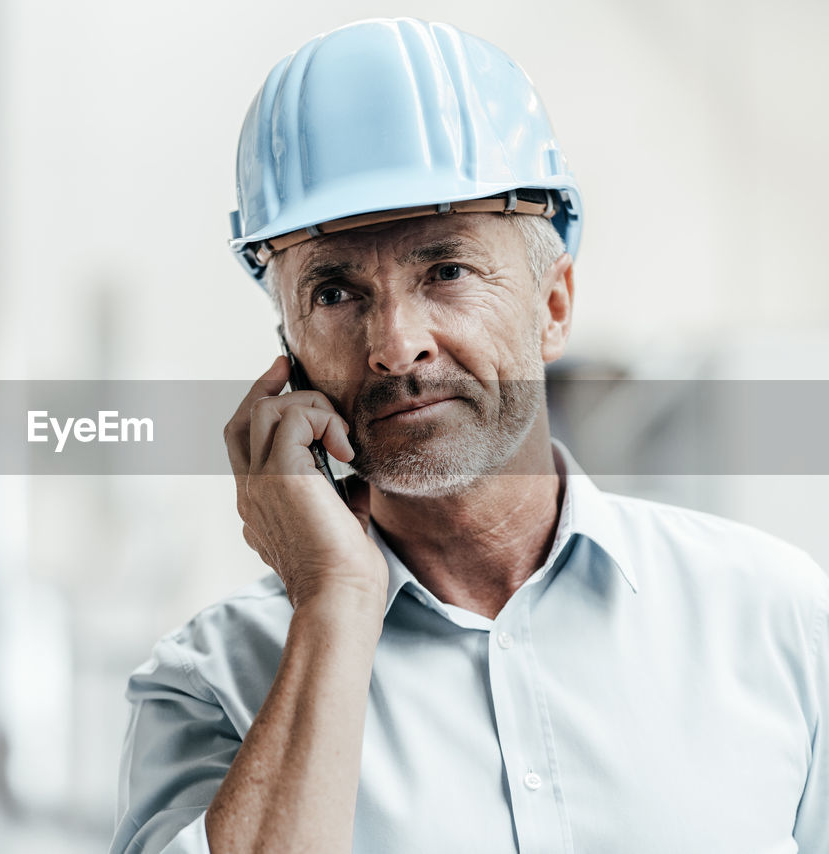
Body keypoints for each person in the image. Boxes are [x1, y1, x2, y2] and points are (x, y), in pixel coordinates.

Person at [110, 18, 829, 854]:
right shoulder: (209, 685)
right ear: (288, 350)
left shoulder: (775, 617)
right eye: (335, 293)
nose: (394, 346)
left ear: (554, 305)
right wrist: (336, 606)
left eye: (445, 271)